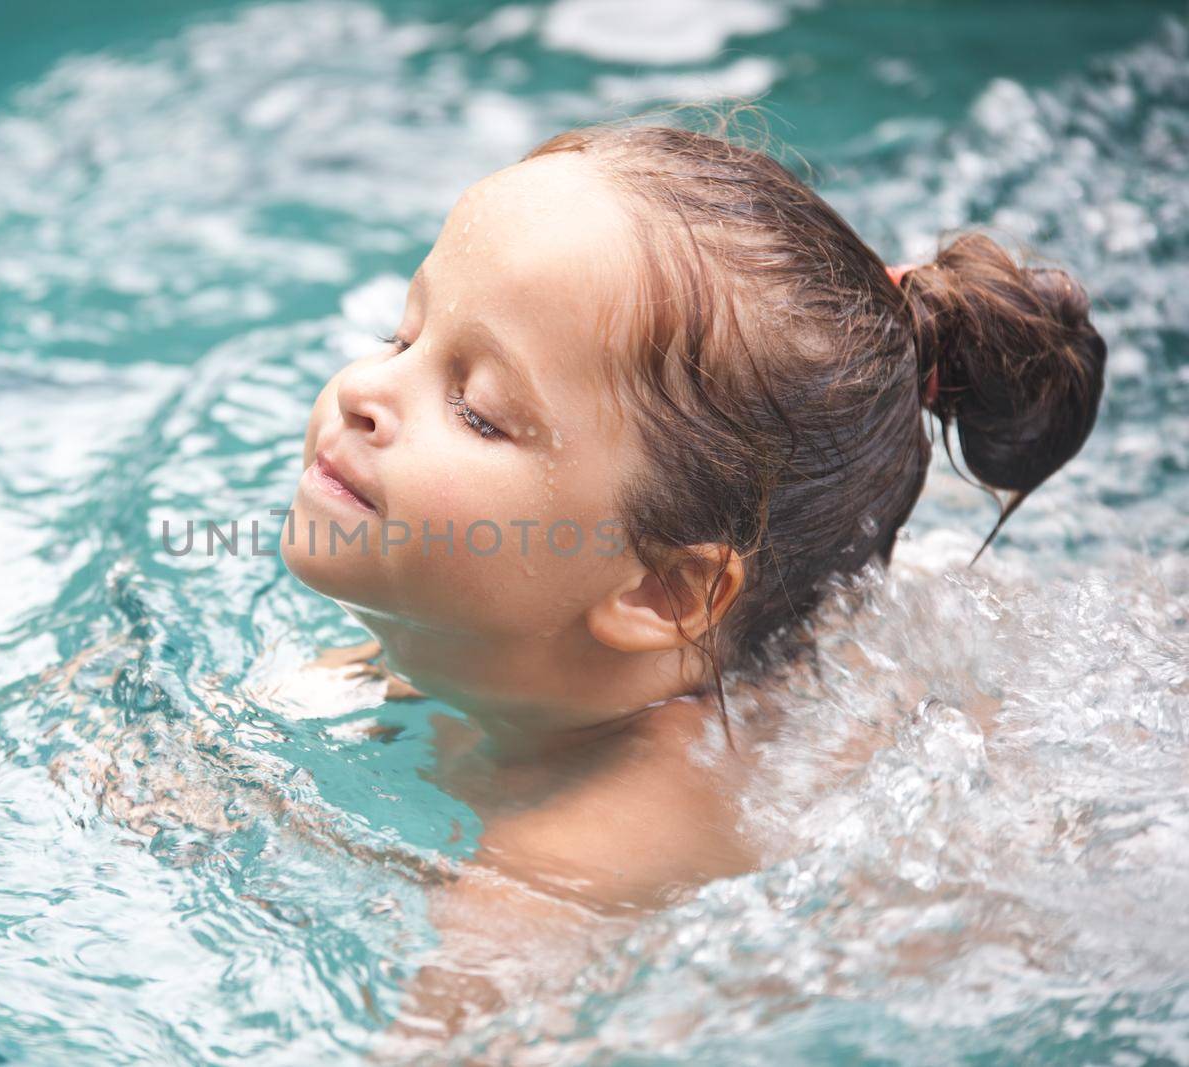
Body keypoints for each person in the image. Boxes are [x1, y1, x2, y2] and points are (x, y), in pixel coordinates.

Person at [281, 119, 1108, 1038]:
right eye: (403, 336)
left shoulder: (563, 868)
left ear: (663, 594)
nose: (364, 389)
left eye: (477, 412)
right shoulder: (474, 632)